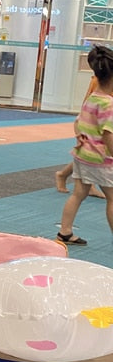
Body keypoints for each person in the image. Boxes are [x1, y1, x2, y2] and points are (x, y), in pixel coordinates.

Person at [57, 45, 113, 246]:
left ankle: (64, 232)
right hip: (101, 159)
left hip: (83, 156)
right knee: (112, 199)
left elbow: (78, 123)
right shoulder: (109, 104)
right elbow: (108, 135)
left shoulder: (92, 98)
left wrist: (79, 135)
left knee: (78, 193)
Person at [56, 75, 103, 198]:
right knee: (90, 153)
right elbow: (89, 102)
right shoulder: (99, 79)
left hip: (104, 120)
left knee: (90, 153)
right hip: (95, 121)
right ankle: (88, 184)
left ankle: (63, 174)